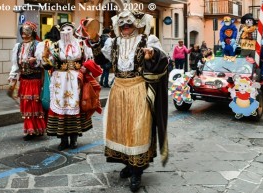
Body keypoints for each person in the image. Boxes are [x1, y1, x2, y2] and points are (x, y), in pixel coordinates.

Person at [89, 10, 169, 192]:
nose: (126, 27)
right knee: (120, 128)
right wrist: (94, 41)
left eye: (129, 24)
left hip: (138, 88)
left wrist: (153, 54)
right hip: (118, 89)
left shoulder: (147, 40)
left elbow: (164, 61)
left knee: (138, 128)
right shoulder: (114, 42)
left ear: (136, 24)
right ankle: (127, 163)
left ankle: (137, 171)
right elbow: (101, 60)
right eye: (123, 24)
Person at [36, 22, 98, 151]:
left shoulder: (81, 44)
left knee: (75, 106)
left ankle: (74, 139)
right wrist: (45, 58)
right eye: (63, 30)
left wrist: (85, 70)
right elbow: (48, 65)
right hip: (60, 81)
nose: (66, 32)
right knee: (61, 107)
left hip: (76, 80)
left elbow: (89, 60)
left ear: (73, 30)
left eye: (69, 29)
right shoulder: (55, 46)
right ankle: (63, 139)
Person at [8, 21, 46, 141]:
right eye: (23, 33)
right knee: (26, 105)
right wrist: (13, 76)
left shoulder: (38, 45)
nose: (24, 35)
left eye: (27, 33)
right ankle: (31, 130)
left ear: (33, 33)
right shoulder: (18, 46)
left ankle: (37, 130)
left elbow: (44, 62)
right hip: (24, 80)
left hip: (35, 80)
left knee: (35, 105)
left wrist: (35, 60)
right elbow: (15, 64)